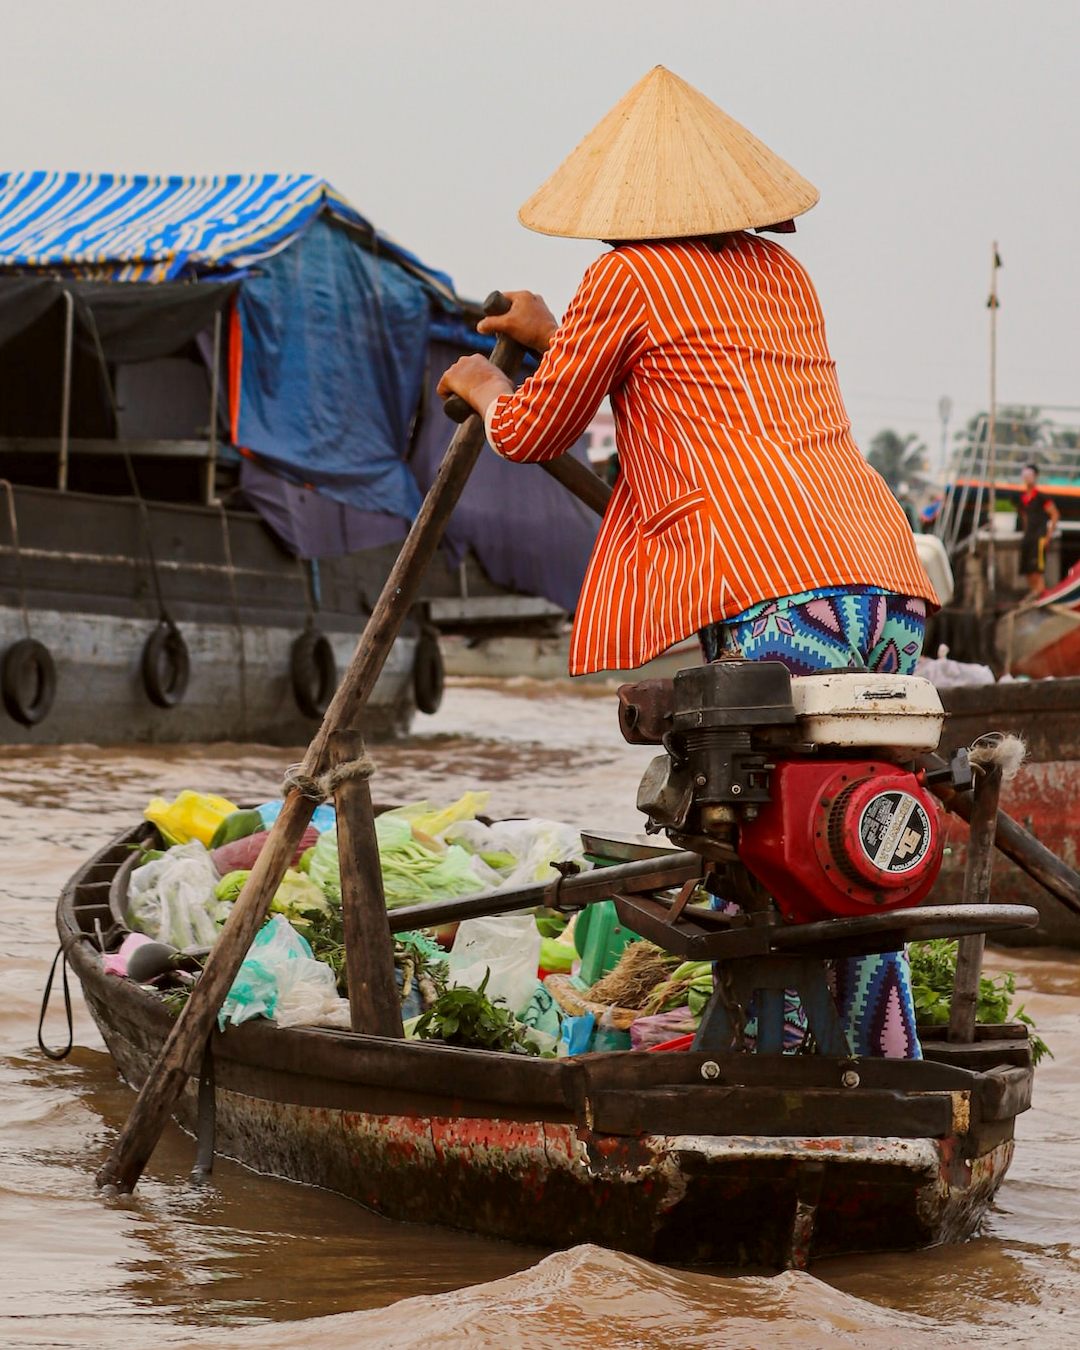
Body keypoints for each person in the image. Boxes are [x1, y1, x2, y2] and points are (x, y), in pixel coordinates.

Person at [437, 67, 938, 1058]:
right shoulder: (783, 277)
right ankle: (877, 1062)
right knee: (851, 840)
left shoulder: (626, 276)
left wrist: (488, 379)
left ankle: (762, 1060)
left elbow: (535, 430)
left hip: (780, 590)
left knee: (760, 836)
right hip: (885, 581)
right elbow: (692, 357)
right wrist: (551, 334)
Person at [1017, 463, 1060, 595]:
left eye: (1030, 475)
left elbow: (1055, 514)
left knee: (1037, 571)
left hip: (1039, 537)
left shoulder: (1041, 497)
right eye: (1025, 475)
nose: (1027, 478)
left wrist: (1048, 536)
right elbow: (1024, 517)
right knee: (1028, 570)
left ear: (1035, 477)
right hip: (1028, 537)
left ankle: (1040, 595)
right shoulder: (1023, 498)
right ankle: (1034, 595)